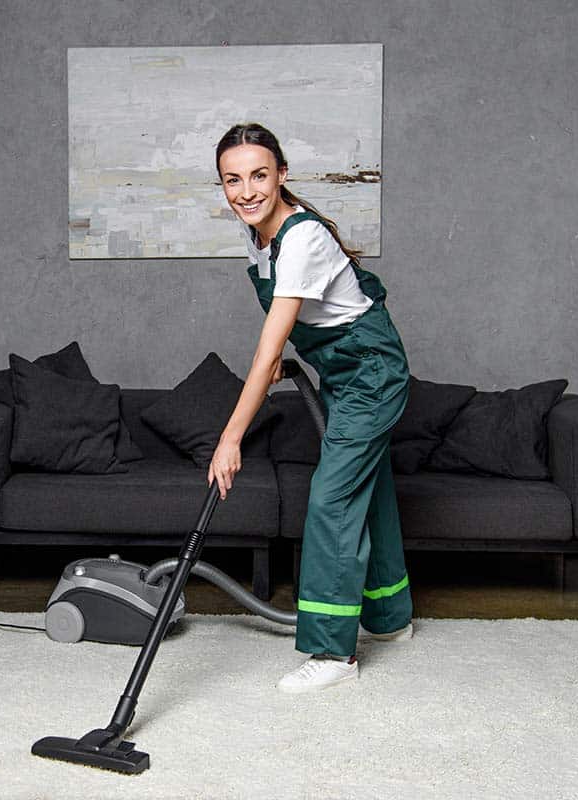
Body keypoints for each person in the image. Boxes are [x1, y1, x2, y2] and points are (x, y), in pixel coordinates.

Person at [207, 123, 414, 693]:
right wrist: (280, 352)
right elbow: (292, 319)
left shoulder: (301, 238)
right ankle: (391, 620)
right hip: (343, 368)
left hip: (370, 372)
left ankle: (331, 653)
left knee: (331, 499)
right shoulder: (259, 235)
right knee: (368, 493)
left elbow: (268, 344)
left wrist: (231, 439)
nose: (246, 191)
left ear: (282, 175)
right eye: (233, 180)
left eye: (259, 175)